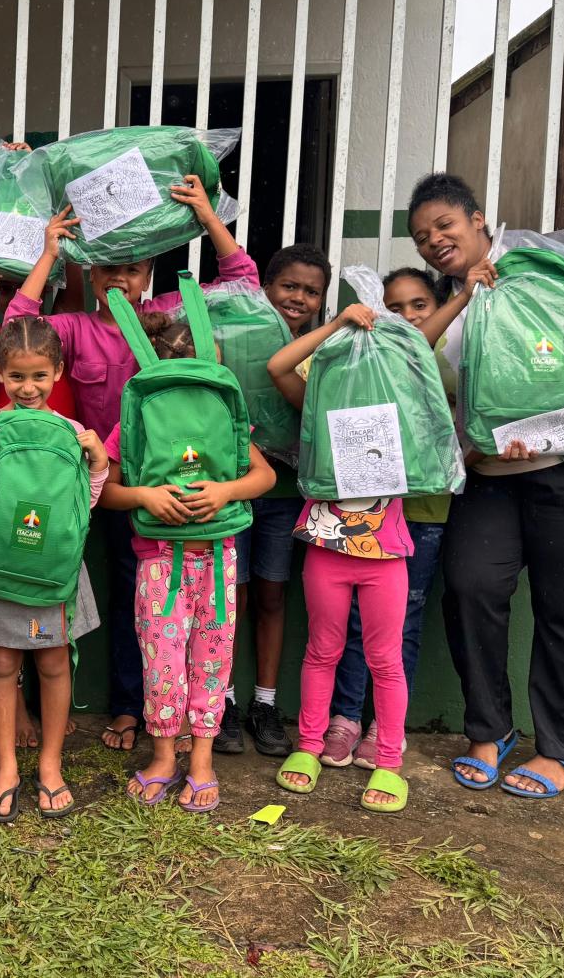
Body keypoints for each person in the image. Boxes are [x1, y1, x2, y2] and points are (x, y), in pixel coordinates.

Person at [408, 172, 564, 798]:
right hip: (490, 477)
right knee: (469, 590)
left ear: (476, 219)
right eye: (421, 237)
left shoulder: (553, 255)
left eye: (444, 224)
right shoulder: (448, 295)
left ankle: (563, 747)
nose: (435, 240)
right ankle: (491, 730)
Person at [5, 178, 260, 752]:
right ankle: (26, 705)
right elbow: (14, 331)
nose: (120, 278)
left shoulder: (173, 315)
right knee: (40, 578)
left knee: (137, 595)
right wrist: (51, 253)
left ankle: (130, 709)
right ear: (91, 274)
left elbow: (244, 285)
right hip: (79, 477)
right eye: (107, 268)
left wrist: (206, 215)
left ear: (150, 276)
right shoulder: (71, 329)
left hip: (160, 490)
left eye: (135, 268)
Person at [99, 313, 275, 810]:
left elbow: (262, 476)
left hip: (218, 559)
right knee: (163, 665)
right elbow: (104, 491)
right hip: (161, 562)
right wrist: (144, 497)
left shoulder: (223, 418)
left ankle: (201, 760)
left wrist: (226, 491)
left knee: (210, 663)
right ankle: (164, 757)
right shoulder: (134, 421)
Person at [0, 319, 109, 821]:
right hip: (1, 568)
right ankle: (6, 768)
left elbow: (85, 503)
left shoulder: (73, 433)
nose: (28, 388)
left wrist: (100, 463)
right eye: (17, 376)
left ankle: (50, 764)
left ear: (59, 371)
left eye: (40, 376)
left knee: (53, 663)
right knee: (1, 664)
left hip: (54, 569)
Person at [267, 304, 415, 813]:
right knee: (322, 651)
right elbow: (278, 367)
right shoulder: (319, 402)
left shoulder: (404, 410)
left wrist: (404, 329)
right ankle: (309, 746)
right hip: (327, 553)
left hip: (387, 556)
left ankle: (390, 762)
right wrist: (335, 328)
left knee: (386, 661)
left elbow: (424, 346)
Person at [322, 268, 457, 769]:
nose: (406, 317)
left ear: (437, 306)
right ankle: (346, 718)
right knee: (358, 623)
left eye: (419, 305)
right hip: (365, 511)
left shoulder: (441, 358)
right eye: (394, 308)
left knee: (405, 622)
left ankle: (386, 726)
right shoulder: (365, 359)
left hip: (423, 512)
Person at [219, 243, 331, 758]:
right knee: (230, 599)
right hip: (235, 486)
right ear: (265, 288)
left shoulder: (324, 349)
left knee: (271, 595)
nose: (299, 298)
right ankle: (223, 700)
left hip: (288, 492)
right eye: (289, 286)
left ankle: (265, 703)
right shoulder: (236, 333)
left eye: (312, 291)